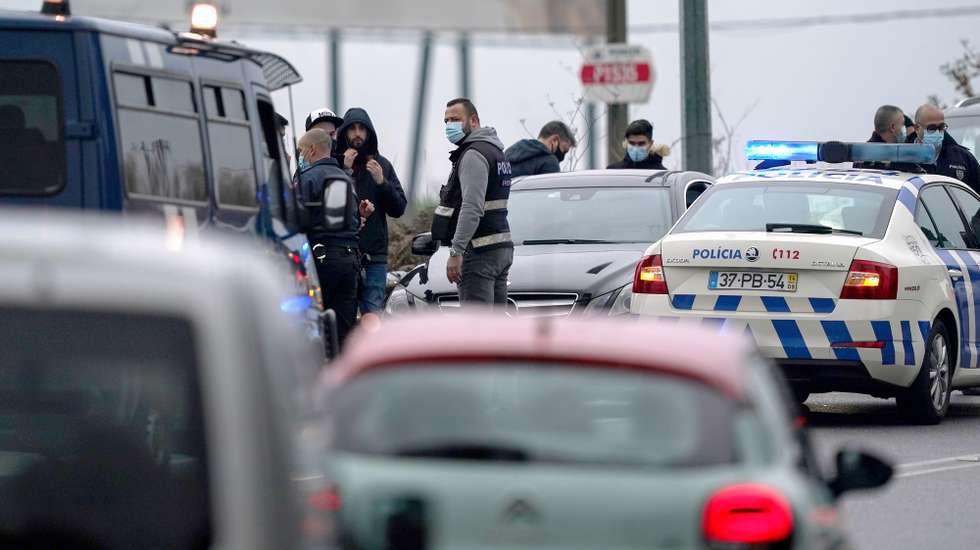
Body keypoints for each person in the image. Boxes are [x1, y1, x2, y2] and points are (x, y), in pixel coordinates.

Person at [431, 98, 514, 308]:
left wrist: (456, 251)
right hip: (499, 248)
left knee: (477, 330)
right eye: (446, 121)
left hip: (479, 252)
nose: (450, 126)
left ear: (474, 120)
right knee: (496, 331)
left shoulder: (473, 154)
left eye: (456, 119)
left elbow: (471, 207)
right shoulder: (496, 152)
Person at [295, 128, 370, 347]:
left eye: (301, 151)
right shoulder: (346, 180)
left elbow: (297, 219)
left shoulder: (307, 179)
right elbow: (355, 221)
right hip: (349, 262)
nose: (300, 156)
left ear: (311, 150)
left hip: (320, 261)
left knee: (313, 327)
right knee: (344, 331)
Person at [335, 107, 408, 316]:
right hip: (343, 255)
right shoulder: (335, 164)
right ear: (344, 133)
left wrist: (382, 182)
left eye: (362, 129)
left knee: (372, 316)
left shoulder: (381, 165)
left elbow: (399, 208)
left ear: (369, 133)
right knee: (344, 316)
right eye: (352, 129)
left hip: (374, 256)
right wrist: (344, 171)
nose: (357, 134)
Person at [913, 103, 980, 193]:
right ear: (917, 128)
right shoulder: (903, 158)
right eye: (932, 128)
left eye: (941, 127)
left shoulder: (962, 158)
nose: (937, 132)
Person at [853, 105, 922, 172]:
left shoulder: (861, 156)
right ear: (892, 127)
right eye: (903, 124)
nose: (904, 129)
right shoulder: (897, 160)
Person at [504, 120, 576, 177]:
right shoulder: (550, 162)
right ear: (554, 140)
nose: (563, 156)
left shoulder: (508, 153)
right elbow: (552, 193)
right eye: (564, 150)